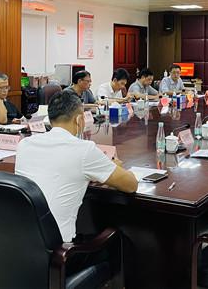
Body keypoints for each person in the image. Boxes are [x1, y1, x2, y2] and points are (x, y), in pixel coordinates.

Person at [15, 90, 138, 242]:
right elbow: (131, 185)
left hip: (22, 240)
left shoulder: (24, 144)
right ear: (79, 120)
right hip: (57, 247)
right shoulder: (84, 150)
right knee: (120, 240)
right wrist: (115, 167)